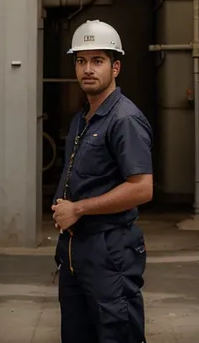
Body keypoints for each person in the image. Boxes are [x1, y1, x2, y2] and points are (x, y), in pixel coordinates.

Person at [52, 19, 153, 343]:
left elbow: (142, 188)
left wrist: (78, 209)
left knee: (116, 333)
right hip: (74, 250)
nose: (88, 69)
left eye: (98, 60)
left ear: (116, 66)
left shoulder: (124, 119)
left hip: (109, 250)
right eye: (81, 61)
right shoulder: (82, 119)